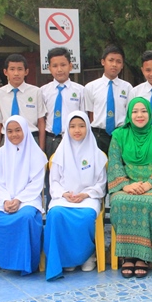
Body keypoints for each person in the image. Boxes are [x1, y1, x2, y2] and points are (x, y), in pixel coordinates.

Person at [108, 97, 152, 278]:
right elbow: (114, 163)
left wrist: (148, 184)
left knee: (149, 203)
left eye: (144, 111)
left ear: (151, 114)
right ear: (129, 114)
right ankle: (128, 255)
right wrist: (125, 185)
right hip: (126, 185)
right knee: (119, 202)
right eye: (135, 111)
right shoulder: (118, 135)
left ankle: (145, 257)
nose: (139, 115)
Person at [44, 111, 107, 281]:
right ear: (67, 129)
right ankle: (66, 258)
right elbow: (54, 181)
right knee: (55, 215)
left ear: (88, 127)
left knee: (86, 217)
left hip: (88, 199)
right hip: (63, 198)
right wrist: (64, 194)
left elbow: (101, 183)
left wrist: (85, 194)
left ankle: (87, 255)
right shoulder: (59, 154)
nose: (77, 130)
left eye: (81, 126)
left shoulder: (97, 154)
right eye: (72, 126)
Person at [0, 116, 47, 275]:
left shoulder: (37, 155)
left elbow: (36, 184)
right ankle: (5, 260)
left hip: (28, 199)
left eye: (18, 130)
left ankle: (27, 263)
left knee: (26, 217)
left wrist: (19, 200)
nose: (14, 135)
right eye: (10, 131)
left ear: (25, 130)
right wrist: (6, 199)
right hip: (3, 199)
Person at [84, 45, 133, 155]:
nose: (114, 64)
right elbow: (90, 115)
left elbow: (129, 113)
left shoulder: (128, 88)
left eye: (118, 62)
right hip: (98, 135)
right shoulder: (91, 87)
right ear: (103, 62)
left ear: (122, 65)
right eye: (111, 60)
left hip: (120, 133)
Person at [0, 54, 46, 149]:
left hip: (31, 137)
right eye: (12, 69)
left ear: (26, 72)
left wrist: (41, 149)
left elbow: (41, 121)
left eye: (20, 69)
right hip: (8, 138)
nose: (16, 73)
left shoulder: (36, 92)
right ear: (5, 72)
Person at [40, 47, 85, 158]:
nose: (59, 69)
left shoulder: (80, 91)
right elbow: (41, 119)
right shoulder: (43, 91)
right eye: (55, 66)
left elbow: (84, 118)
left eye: (63, 65)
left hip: (72, 138)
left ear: (70, 66)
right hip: (50, 138)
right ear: (49, 68)